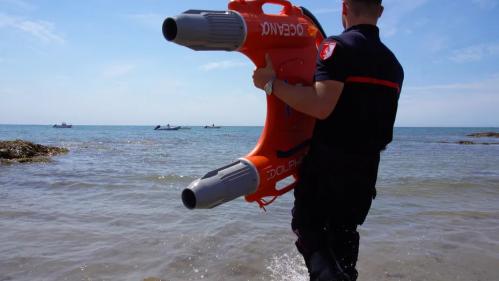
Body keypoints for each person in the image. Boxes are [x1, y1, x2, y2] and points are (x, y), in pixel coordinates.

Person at [253, 0, 404, 280]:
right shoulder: (394, 65)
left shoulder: (337, 48)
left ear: (344, 8)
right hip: (366, 173)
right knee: (343, 238)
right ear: (380, 11)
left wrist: (271, 84)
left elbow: (321, 104)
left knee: (308, 230)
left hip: (328, 169)